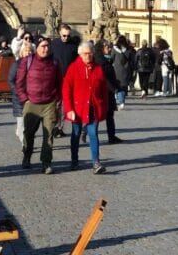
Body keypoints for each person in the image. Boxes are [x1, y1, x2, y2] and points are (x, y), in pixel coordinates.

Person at [16, 36, 62, 174]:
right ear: (37, 48)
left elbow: (60, 83)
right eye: (43, 46)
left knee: (48, 135)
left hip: (49, 104)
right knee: (29, 134)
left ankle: (46, 162)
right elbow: (19, 83)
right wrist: (25, 100)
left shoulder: (54, 63)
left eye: (47, 46)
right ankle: (27, 156)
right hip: (32, 103)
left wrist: (57, 100)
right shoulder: (27, 61)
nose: (46, 49)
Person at [62, 41, 110, 174]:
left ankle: (96, 162)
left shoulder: (98, 68)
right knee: (76, 134)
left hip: (93, 107)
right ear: (80, 54)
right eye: (85, 54)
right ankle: (74, 160)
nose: (88, 56)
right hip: (77, 108)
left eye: (90, 53)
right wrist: (69, 109)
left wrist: (104, 107)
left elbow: (104, 90)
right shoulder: (73, 68)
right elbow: (66, 89)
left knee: (93, 133)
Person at [50, 25, 79, 136]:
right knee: (55, 104)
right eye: (64, 35)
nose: (66, 38)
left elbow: (76, 63)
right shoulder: (53, 44)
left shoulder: (73, 45)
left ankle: (59, 127)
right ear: (59, 33)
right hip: (55, 78)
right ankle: (53, 126)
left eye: (68, 35)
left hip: (69, 79)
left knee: (64, 105)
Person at [97, 40, 124, 144]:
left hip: (110, 90)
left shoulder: (106, 59)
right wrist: (112, 86)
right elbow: (102, 77)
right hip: (103, 91)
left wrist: (115, 84)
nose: (109, 49)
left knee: (109, 115)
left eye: (109, 47)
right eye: (107, 47)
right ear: (101, 48)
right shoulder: (100, 61)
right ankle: (86, 131)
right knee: (98, 115)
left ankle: (112, 136)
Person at [8, 39, 34, 145]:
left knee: (30, 123)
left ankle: (22, 135)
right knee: (21, 122)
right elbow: (10, 80)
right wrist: (18, 92)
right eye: (26, 51)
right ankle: (25, 145)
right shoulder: (16, 64)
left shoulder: (36, 65)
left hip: (32, 97)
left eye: (30, 51)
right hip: (19, 97)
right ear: (21, 52)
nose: (28, 53)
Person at [111, 36, 136, 109]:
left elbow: (112, 59)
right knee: (124, 86)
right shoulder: (129, 50)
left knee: (119, 86)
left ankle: (121, 101)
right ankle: (122, 100)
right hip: (126, 70)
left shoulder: (115, 49)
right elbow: (132, 60)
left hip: (117, 69)